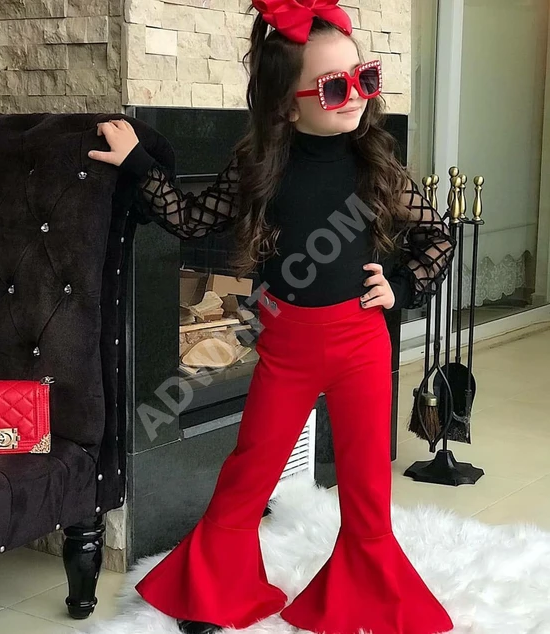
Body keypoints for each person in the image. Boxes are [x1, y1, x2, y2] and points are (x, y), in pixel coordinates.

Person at [88, 2, 456, 633]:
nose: (357, 96)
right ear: (287, 105)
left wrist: (398, 285)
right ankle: (212, 591)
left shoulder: (377, 164)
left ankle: (369, 599)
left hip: (361, 345)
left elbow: (438, 238)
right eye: (336, 87)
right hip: (286, 346)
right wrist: (139, 163)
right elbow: (190, 220)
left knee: (368, 488)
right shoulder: (259, 166)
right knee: (249, 473)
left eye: (365, 78)